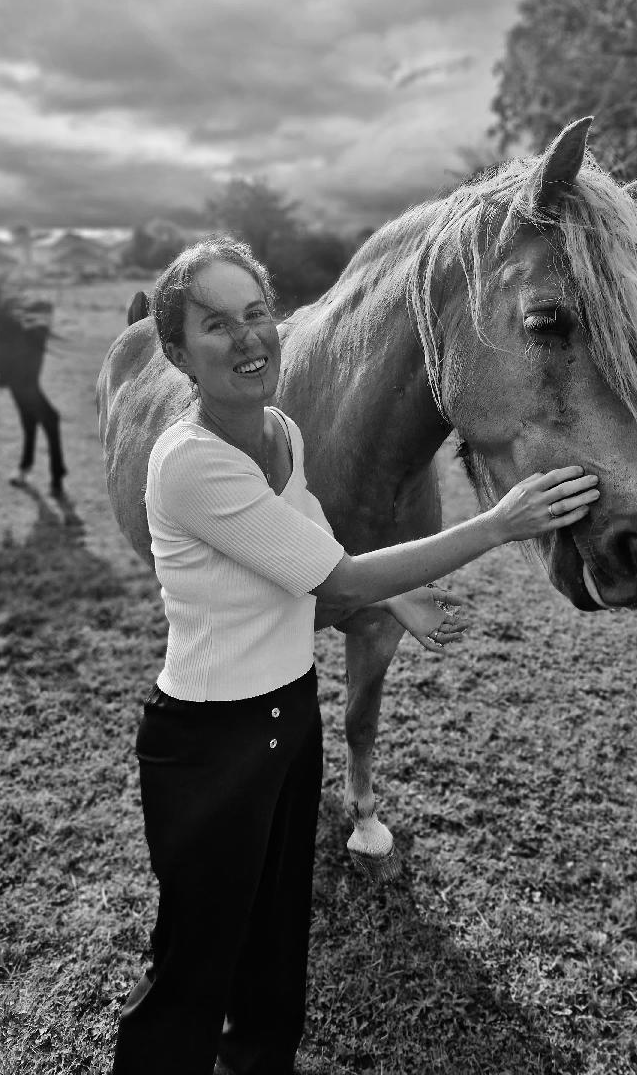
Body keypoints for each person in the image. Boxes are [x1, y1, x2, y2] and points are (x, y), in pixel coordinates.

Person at [111, 236, 599, 1075]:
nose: (248, 338)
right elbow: (332, 581)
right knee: (193, 969)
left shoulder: (280, 434)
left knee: (273, 957)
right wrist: (497, 524)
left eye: (257, 313)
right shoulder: (191, 464)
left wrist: (399, 593)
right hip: (207, 741)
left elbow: (312, 541)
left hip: (287, 720)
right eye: (216, 324)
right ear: (177, 353)